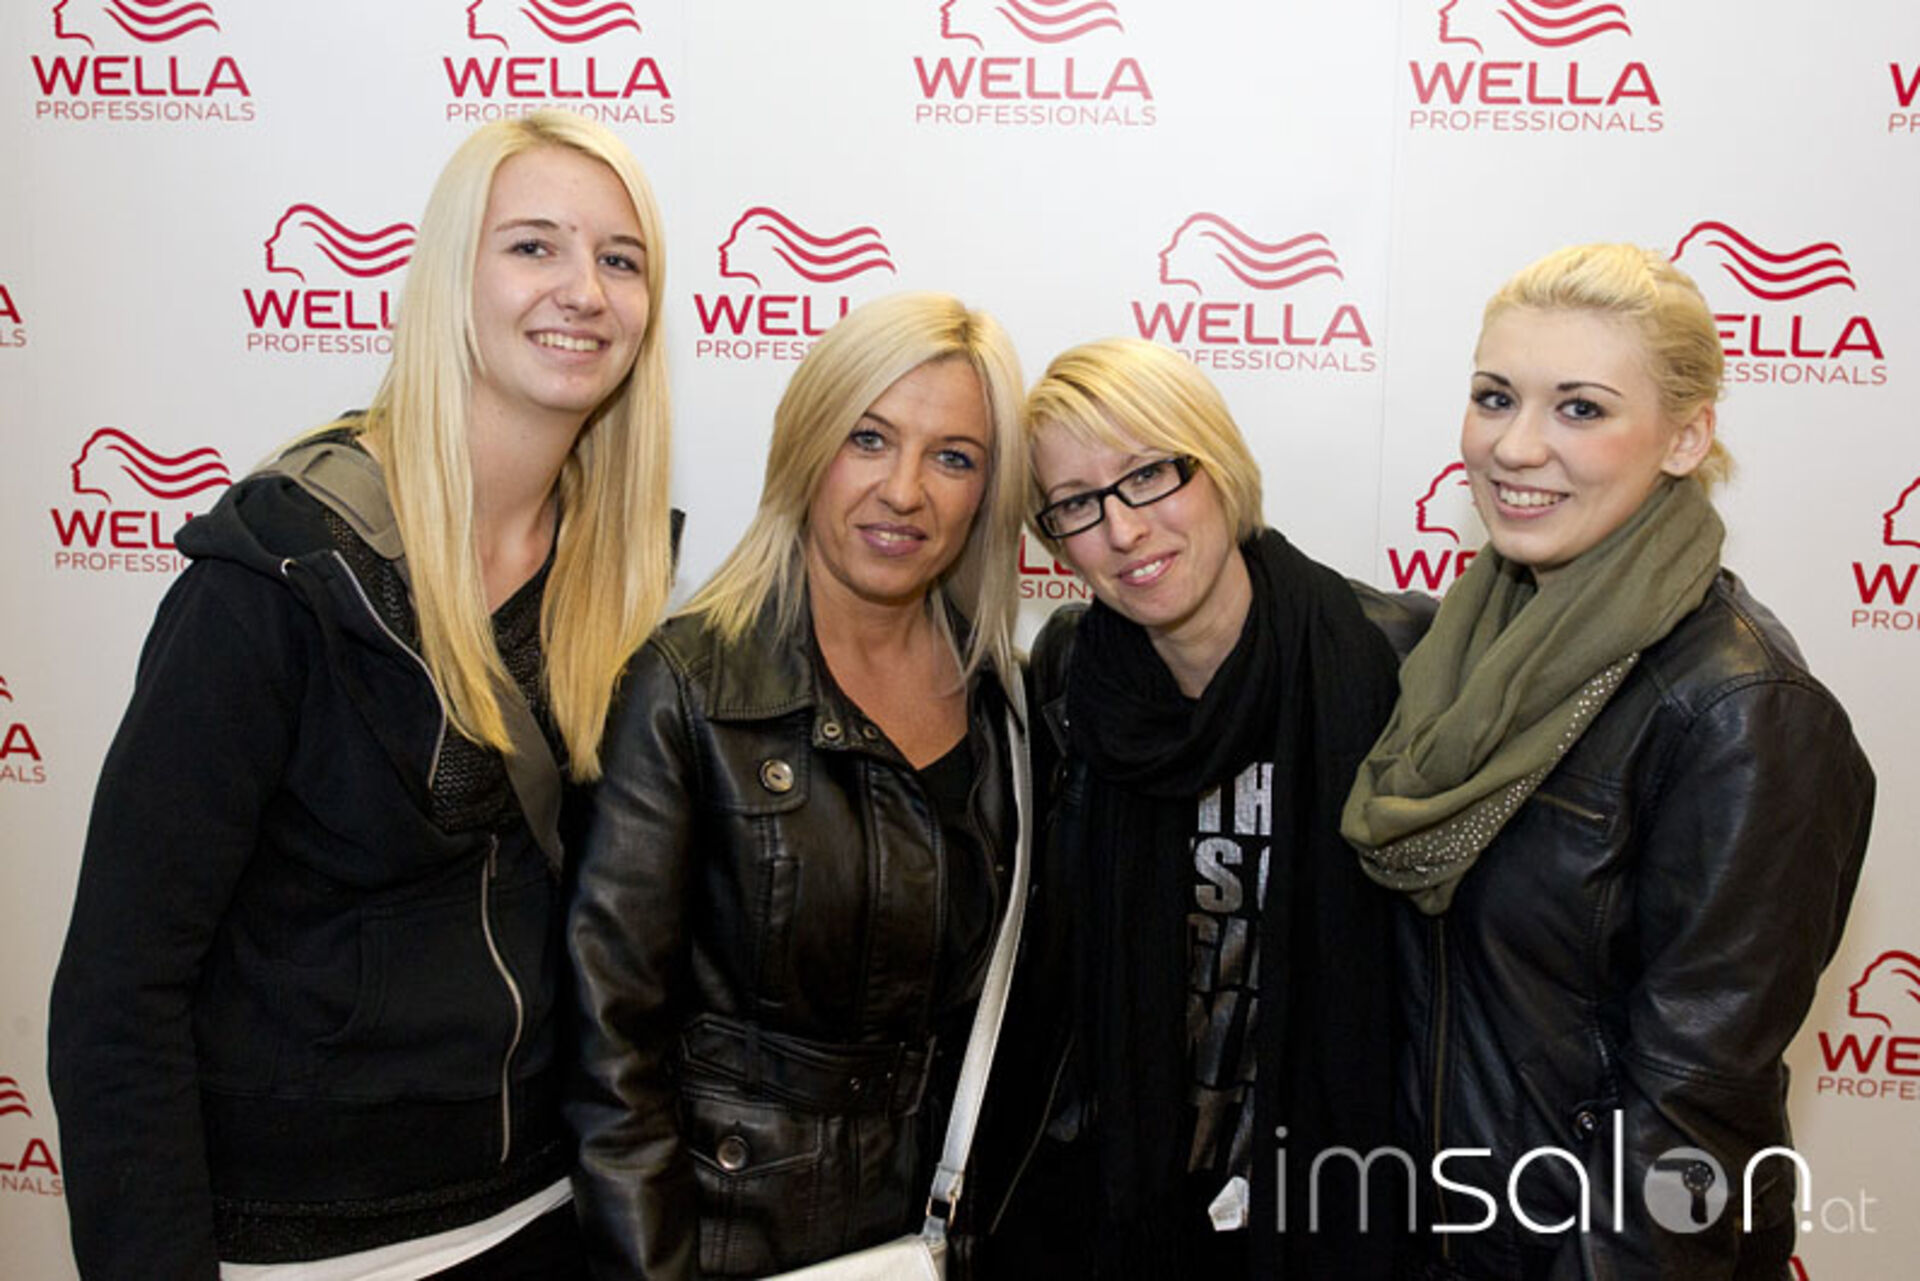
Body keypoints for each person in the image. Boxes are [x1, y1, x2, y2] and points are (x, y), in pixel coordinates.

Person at [48, 109, 677, 1279]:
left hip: (549, 1214)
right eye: (532, 246)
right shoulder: (280, 576)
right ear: (450, 278)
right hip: (309, 1243)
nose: (584, 291)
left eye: (620, 258)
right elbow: (118, 995)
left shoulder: (618, 580)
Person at [1341, 243, 1875, 1278]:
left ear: (1686, 437)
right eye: (1495, 397)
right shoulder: (1467, 657)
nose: (1516, 446)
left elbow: (1693, 1115)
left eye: (1580, 408)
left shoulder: (1743, 713)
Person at [566, 292, 1030, 1278]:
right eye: (869, 438)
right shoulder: (686, 687)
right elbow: (610, 1048)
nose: (904, 490)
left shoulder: (1009, 706)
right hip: (728, 1240)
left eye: (953, 457)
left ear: (988, 493)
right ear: (807, 445)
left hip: (933, 1239)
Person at [1009, 337, 1413, 1278]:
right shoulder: (1070, 676)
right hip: (1123, 1198)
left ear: (1218, 465)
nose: (1123, 529)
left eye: (1149, 473)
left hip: (1325, 1190)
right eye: (1077, 503)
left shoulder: (1383, 658)